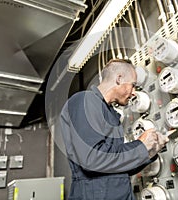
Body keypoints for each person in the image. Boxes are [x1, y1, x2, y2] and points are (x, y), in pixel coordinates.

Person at [60, 59, 169, 200]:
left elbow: (117, 166)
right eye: (133, 85)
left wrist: (149, 152)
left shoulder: (110, 113)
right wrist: (140, 145)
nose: (134, 92)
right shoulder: (84, 101)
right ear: (119, 79)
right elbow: (92, 158)